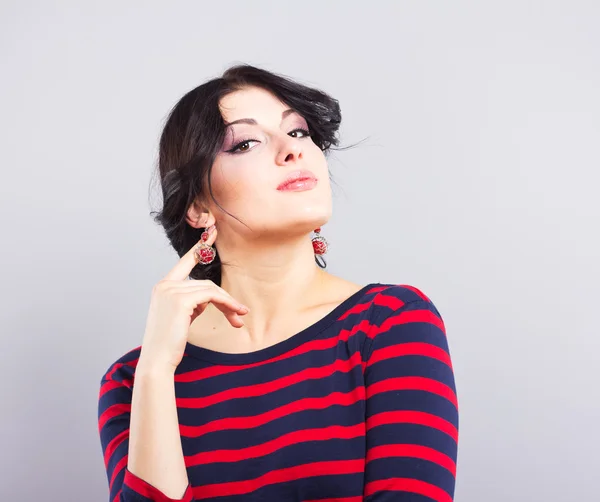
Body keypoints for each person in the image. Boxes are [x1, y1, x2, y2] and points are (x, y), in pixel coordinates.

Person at [97, 63, 459, 502]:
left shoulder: (390, 324)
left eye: (299, 132)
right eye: (247, 142)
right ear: (197, 207)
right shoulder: (131, 381)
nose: (292, 151)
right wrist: (156, 371)